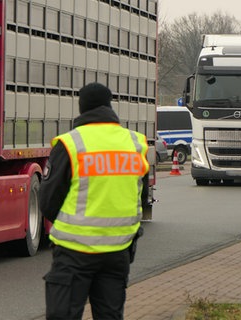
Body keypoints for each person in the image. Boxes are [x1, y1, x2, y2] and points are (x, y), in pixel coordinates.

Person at [40, 82, 149, 320]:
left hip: (74, 252)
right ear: (109, 106)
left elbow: (48, 201)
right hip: (118, 252)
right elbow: (139, 196)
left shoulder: (70, 143)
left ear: (82, 108)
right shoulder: (135, 143)